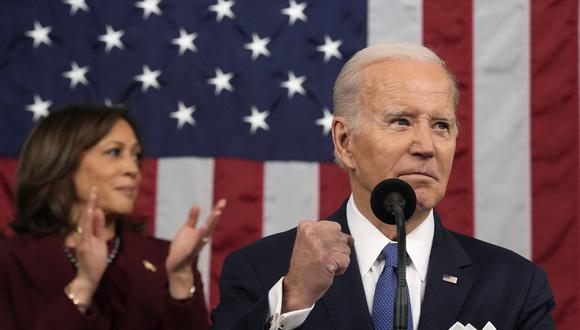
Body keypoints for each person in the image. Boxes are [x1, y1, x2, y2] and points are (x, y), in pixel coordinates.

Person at [210, 43, 556, 330]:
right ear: (345, 141)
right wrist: (294, 299)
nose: (426, 146)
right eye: (401, 121)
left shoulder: (515, 286)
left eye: (440, 125)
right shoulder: (264, 271)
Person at [0, 104, 226, 329]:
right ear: (62, 160)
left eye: (136, 155)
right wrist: (84, 285)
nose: (133, 168)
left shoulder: (165, 260)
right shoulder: (11, 261)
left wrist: (180, 278)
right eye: (114, 152)